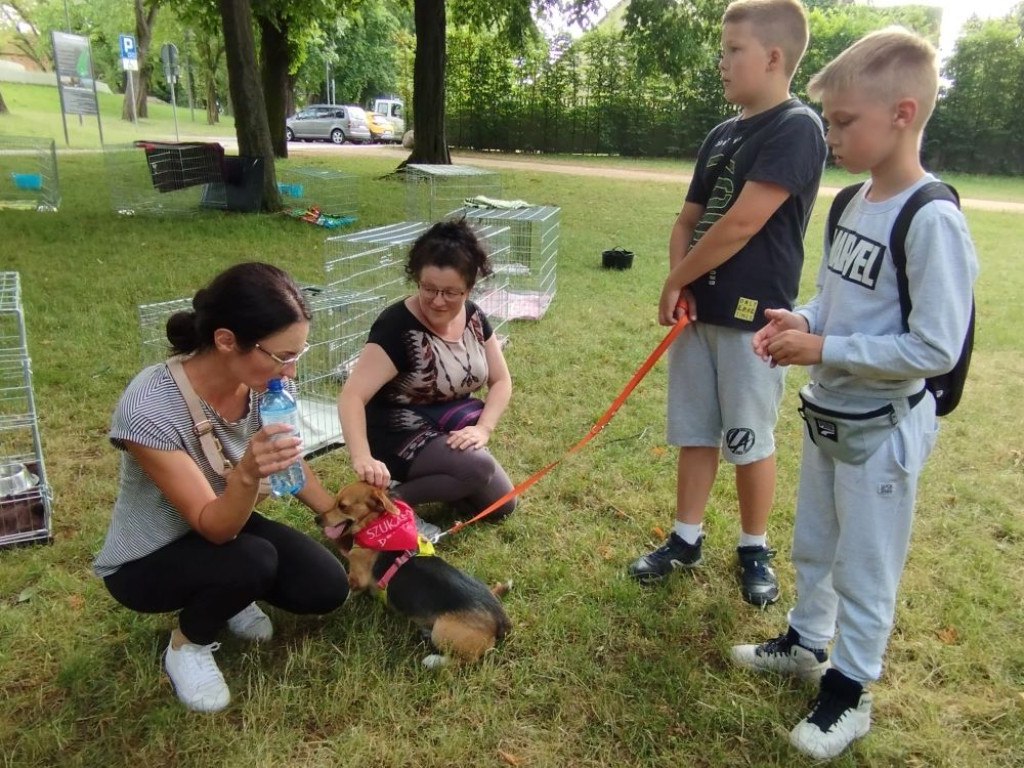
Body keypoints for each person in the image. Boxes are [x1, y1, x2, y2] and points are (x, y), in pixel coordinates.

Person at [730, 28, 978, 759]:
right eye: (829, 121)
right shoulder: (848, 202)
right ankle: (807, 642)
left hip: (885, 426)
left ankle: (849, 692)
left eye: (844, 122)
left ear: (902, 113)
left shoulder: (931, 217)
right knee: (815, 544)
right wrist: (802, 320)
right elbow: (834, 296)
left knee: (867, 564)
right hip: (828, 415)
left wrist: (825, 348)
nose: (830, 135)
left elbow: (937, 347)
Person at [627, 0, 826, 606]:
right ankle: (685, 538)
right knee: (694, 430)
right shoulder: (721, 134)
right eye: (722, 50)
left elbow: (741, 223)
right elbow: (687, 218)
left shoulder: (797, 127)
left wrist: (671, 283)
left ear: (772, 57)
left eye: (732, 50)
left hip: (753, 320)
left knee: (748, 437)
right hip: (699, 316)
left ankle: (752, 546)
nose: (721, 62)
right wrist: (681, 281)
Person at [93, 262, 350, 713]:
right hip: (150, 558)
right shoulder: (148, 408)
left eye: (297, 355)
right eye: (282, 356)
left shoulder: (261, 385)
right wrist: (249, 473)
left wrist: (336, 514)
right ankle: (186, 646)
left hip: (227, 519)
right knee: (251, 559)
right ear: (226, 340)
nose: (290, 372)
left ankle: (229, 595)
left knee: (325, 587)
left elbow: (287, 456)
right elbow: (214, 528)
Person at [338, 219, 516, 531]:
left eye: (450, 292)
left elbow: (501, 380)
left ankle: (445, 477)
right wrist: (362, 457)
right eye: (428, 288)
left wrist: (484, 429)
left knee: (501, 506)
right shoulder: (396, 326)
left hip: (446, 428)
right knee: (477, 468)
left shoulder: (474, 316)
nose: (437, 301)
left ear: (469, 288)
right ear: (417, 279)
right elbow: (353, 395)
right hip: (397, 433)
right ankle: (385, 503)